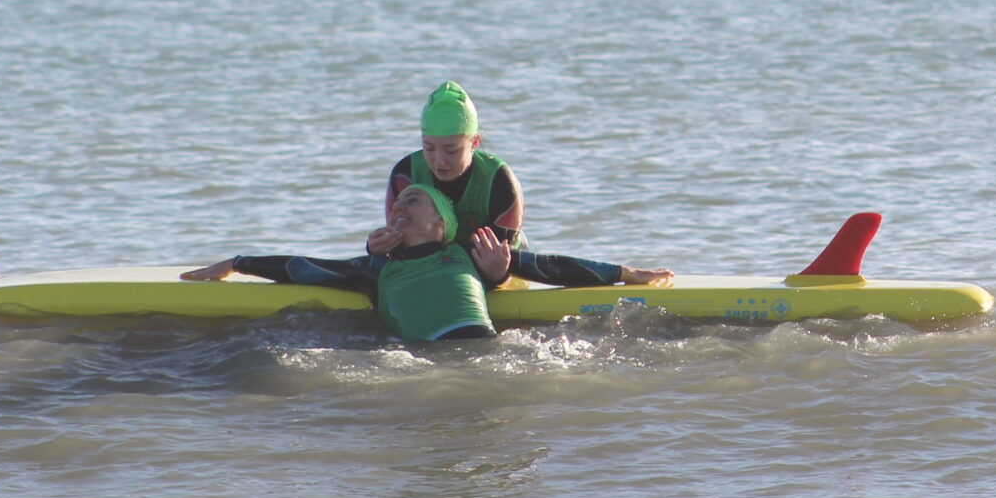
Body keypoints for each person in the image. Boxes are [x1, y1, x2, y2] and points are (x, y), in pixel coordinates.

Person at [182, 182, 671, 343]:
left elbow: (551, 267)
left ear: (441, 226)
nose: (401, 206)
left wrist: (628, 274)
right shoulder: (377, 268)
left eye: (415, 202)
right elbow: (302, 266)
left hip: (483, 345)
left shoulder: (468, 253)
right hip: (418, 357)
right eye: (399, 202)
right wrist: (236, 262)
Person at [373, 80, 532, 286]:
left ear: (474, 142)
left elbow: (502, 253)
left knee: (497, 265)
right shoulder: (405, 174)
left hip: (496, 261)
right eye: (429, 148)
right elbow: (401, 245)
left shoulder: (500, 181)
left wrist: (498, 275)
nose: (440, 161)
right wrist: (379, 249)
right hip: (428, 261)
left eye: (451, 150)